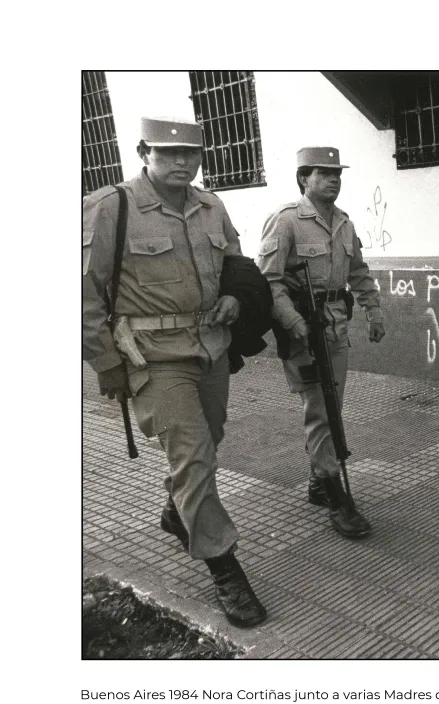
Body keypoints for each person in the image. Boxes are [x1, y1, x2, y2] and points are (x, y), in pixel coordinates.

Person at [82, 117, 267, 628]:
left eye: (191, 154)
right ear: (144, 152)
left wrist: (233, 295)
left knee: (210, 440)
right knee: (193, 454)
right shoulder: (111, 207)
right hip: (152, 356)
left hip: (210, 346)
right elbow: (84, 293)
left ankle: (177, 512)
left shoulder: (213, 205)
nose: (182, 162)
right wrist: (104, 363)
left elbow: (235, 261)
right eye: (168, 154)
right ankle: (223, 564)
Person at [257, 147, 385, 538]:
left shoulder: (344, 223)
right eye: (323, 173)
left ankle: (318, 480)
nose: (333, 179)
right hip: (303, 330)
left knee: (332, 407)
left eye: (337, 173)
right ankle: (334, 493)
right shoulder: (286, 222)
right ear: (303, 179)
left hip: (335, 325)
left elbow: (358, 271)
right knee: (321, 410)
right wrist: (292, 320)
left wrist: (373, 309)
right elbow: (269, 280)